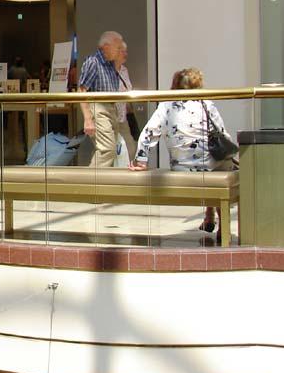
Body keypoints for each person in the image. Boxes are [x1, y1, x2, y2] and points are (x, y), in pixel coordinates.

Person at [130, 67, 236, 236]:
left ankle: (209, 217)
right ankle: (222, 225)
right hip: (209, 168)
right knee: (219, 166)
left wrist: (141, 162)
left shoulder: (166, 106)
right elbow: (222, 133)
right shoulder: (206, 104)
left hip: (182, 168)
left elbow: (147, 134)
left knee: (209, 169)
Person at [78, 31, 125, 167]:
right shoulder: (93, 62)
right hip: (98, 107)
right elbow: (81, 90)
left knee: (111, 149)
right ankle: (91, 185)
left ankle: (99, 183)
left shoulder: (110, 64)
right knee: (106, 150)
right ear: (106, 46)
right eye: (117, 48)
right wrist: (88, 118)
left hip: (110, 108)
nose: (119, 52)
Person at [113, 41, 136, 167]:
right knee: (111, 153)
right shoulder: (106, 71)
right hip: (109, 119)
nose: (126, 54)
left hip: (122, 118)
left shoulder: (124, 70)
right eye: (123, 51)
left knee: (130, 149)